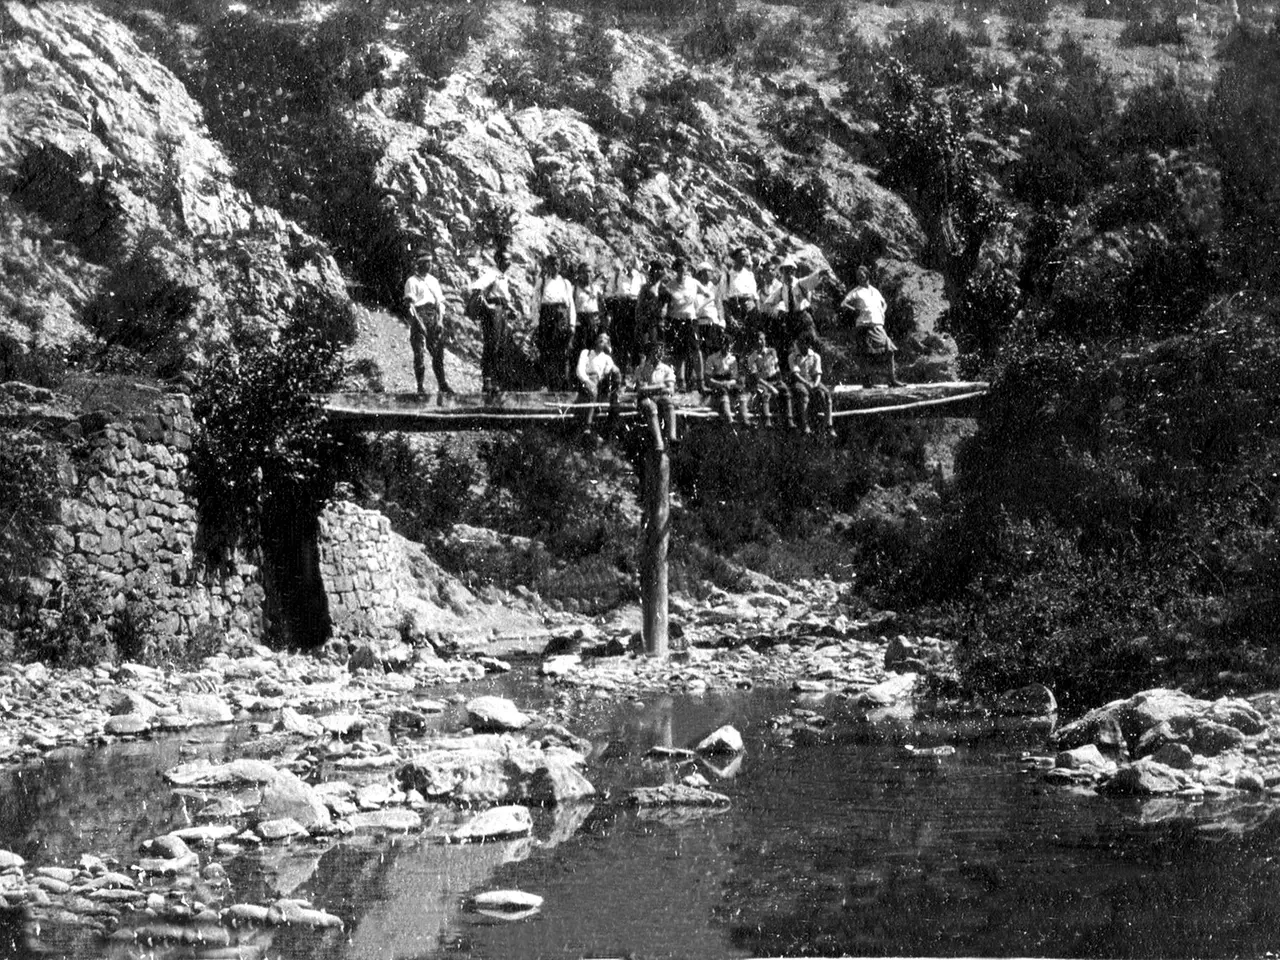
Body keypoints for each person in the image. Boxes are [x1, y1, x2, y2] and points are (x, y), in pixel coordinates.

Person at [842, 266, 903, 388]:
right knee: (866, 354)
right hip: (864, 325)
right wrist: (854, 310)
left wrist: (882, 311)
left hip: (878, 325)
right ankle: (867, 382)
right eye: (858, 275)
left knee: (889, 350)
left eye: (862, 274)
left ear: (867, 275)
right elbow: (843, 303)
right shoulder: (855, 292)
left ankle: (892, 379)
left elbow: (884, 303)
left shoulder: (875, 291)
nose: (859, 277)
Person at [469, 248, 518, 397]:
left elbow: (503, 297)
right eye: (505, 260)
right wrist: (488, 307)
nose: (508, 263)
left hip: (502, 311)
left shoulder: (503, 277)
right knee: (492, 344)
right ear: (497, 260)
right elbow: (476, 288)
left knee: (501, 346)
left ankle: (496, 380)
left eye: (509, 260)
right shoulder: (492, 274)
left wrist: (511, 309)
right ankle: (487, 380)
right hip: (493, 312)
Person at [403, 254, 453, 397]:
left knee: (438, 352)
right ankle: (420, 387)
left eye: (430, 263)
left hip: (433, 316)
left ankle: (442, 384)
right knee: (419, 353)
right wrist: (419, 323)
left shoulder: (433, 281)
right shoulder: (411, 281)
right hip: (419, 316)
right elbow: (411, 306)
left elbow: (440, 303)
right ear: (419, 264)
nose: (429, 265)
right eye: (426, 263)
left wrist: (440, 321)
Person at [764, 256, 829, 356]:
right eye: (785, 271)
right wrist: (776, 311)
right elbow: (769, 303)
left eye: (790, 271)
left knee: (813, 339)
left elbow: (809, 280)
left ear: (794, 272)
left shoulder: (799, 283)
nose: (788, 274)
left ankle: (822, 359)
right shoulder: (782, 289)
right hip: (791, 319)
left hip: (803, 316)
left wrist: (819, 273)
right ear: (782, 273)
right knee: (795, 345)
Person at [664, 258, 713, 392]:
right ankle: (681, 383)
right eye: (679, 268)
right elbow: (666, 306)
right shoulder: (670, 285)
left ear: (687, 269)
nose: (682, 270)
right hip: (676, 321)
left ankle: (700, 382)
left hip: (691, 320)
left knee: (696, 351)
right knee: (679, 353)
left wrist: (698, 308)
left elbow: (709, 294)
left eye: (684, 267)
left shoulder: (693, 283)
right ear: (675, 269)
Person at [531, 254, 576, 391]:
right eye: (552, 264)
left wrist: (572, 323)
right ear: (547, 266)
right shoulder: (542, 281)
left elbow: (571, 304)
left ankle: (561, 383)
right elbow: (535, 302)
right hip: (546, 316)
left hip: (561, 317)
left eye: (557, 264)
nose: (555, 267)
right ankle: (547, 382)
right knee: (546, 350)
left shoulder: (565, 283)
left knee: (562, 350)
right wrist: (535, 323)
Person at [576, 332, 622, 437]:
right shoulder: (586, 353)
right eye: (600, 338)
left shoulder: (607, 358)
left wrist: (609, 369)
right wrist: (586, 381)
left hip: (599, 383)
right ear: (596, 340)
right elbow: (580, 370)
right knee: (593, 390)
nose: (602, 340)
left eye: (605, 339)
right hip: (586, 381)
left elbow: (612, 370)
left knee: (615, 371)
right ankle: (588, 425)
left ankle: (614, 401)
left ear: (607, 343)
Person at [788, 333, 836, 437]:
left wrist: (815, 384)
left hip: (813, 380)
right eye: (800, 344)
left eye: (804, 344)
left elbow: (818, 373)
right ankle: (805, 425)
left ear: (809, 345)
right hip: (799, 381)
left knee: (827, 394)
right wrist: (806, 383)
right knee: (804, 394)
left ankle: (829, 425)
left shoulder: (815, 356)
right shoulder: (792, 356)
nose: (801, 346)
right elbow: (795, 374)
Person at [634, 340, 679, 450]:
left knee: (669, 402)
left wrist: (651, 388)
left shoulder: (666, 369)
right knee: (651, 407)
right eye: (655, 352)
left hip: (661, 398)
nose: (658, 355)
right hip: (647, 398)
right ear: (649, 354)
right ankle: (659, 442)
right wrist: (661, 386)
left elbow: (670, 389)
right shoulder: (641, 369)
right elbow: (641, 389)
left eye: (660, 352)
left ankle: (672, 437)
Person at [744, 329, 793, 429]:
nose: (761, 342)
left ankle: (789, 419)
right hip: (762, 382)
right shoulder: (752, 358)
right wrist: (771, 388)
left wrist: (779, 380)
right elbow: (756, 377)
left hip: (774, 379)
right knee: (764, 393)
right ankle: (767, 420)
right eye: (759, 340)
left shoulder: (772, 352)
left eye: (763, 339)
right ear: (755, 342)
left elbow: (776, 367)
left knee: (786, 391)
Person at [605, 253, 646, 373]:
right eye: (626, 261)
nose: (628, 264)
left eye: (630, 261)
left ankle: (635, 375)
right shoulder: (617, 276)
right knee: (620, 343)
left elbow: (644, 294)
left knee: (636, 343)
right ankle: (621, 374)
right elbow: (608, 293)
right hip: (621, 310)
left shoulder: (640, 277)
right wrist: (618, 298)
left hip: (635, 310)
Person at [703, 329, 749, 425]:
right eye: (724, 344)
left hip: (728, 383)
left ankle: (744, 417)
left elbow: (734, 377)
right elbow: (708, 377)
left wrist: (728, 383)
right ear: (720, 344)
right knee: (722, 391)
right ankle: (729, 418)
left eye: (729, 344)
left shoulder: (732, 359)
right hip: (715, 382)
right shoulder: (712, 358)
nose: (727, 347)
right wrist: (719, 383)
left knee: (740, 390)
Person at [720, 247, 758, 351]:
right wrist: (730, 318)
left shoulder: (750, 275)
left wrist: (754, 308)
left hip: (749, 311)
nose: (745, 259)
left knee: (750, 344)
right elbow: (724, 300)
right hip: (734, 310)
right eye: (742, 256)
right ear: (735, 258)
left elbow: (755, 297)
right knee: (735, 344)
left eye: (746, 256)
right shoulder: (727, 276)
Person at [694, 261, 725, 391]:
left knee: (714, 351)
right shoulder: (694, 287)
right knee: (701, 353)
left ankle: (714, 380)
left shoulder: (714, 287)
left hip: (712, 321)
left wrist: (722, 320)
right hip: (699, 322)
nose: (711, 274)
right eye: (708, 271)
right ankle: (702, 381)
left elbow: (719, 304)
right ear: (701, 273)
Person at [635, 259, 669, 358]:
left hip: (658, 322)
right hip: (646, 322)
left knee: (657, 348)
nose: (657, 272)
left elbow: (666, 306)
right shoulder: (646, 288)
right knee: (646, 349)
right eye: (655, 270)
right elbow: (639, 305)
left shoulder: (664, 289)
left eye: (660, 270)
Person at [573, 263, 605, 362]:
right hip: (580, 322)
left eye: (589, 271)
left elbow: (602, 307)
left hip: (594, 322)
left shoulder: (596, 289)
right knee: (580, 351)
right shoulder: (574, 289)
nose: (587, 274)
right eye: (584, 272)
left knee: (594, 351)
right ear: (579, 274)